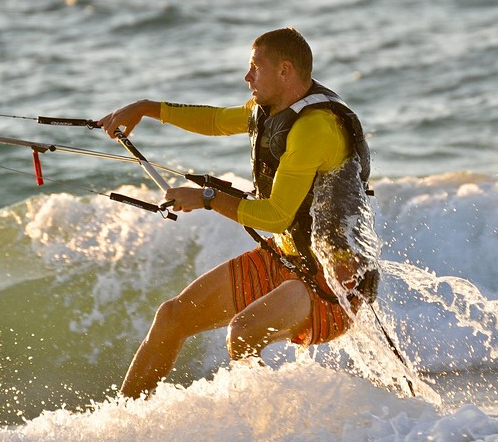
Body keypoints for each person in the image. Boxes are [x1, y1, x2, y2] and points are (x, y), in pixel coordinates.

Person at [99, 27, 378, 399]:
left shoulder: (316, 128)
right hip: (288, 261)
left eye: (254, 68)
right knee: (171, 318)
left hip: (333, 284)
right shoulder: (269, 110)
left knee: (243, 333)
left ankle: (265, 432)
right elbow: (215, 121)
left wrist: (208, 198)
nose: (247, 78)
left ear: (285, 70)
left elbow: (277, 215)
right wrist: (146, 108)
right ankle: (125, 426)